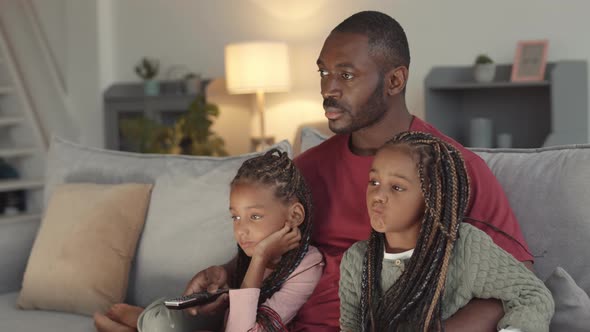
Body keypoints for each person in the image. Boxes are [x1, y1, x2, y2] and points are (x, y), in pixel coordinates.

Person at [289, 11, 535, 331]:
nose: (328, 88)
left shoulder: (453, 168)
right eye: (323, 72)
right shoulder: (306, 169)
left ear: (394, 80)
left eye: (346, 75)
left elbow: (520, 282)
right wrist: (227, 273)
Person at [339, 131, 553, 332]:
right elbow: (350, 326)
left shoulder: (465, 246)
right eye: (374, 182)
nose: (378, 195)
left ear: (431, 197)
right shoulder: (357, 260)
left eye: (397, 187)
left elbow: (532, 295)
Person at [93, 149, 323, 332]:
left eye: (255, 216)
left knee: (163, 325)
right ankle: (147, 322)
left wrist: (261, 257)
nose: (241, 230)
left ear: (294, 216)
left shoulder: (306, 267)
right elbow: (230, 287)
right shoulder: (251, 251)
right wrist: (219, 273)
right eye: (236, 217)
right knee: (170, 314)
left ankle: (138, 326)